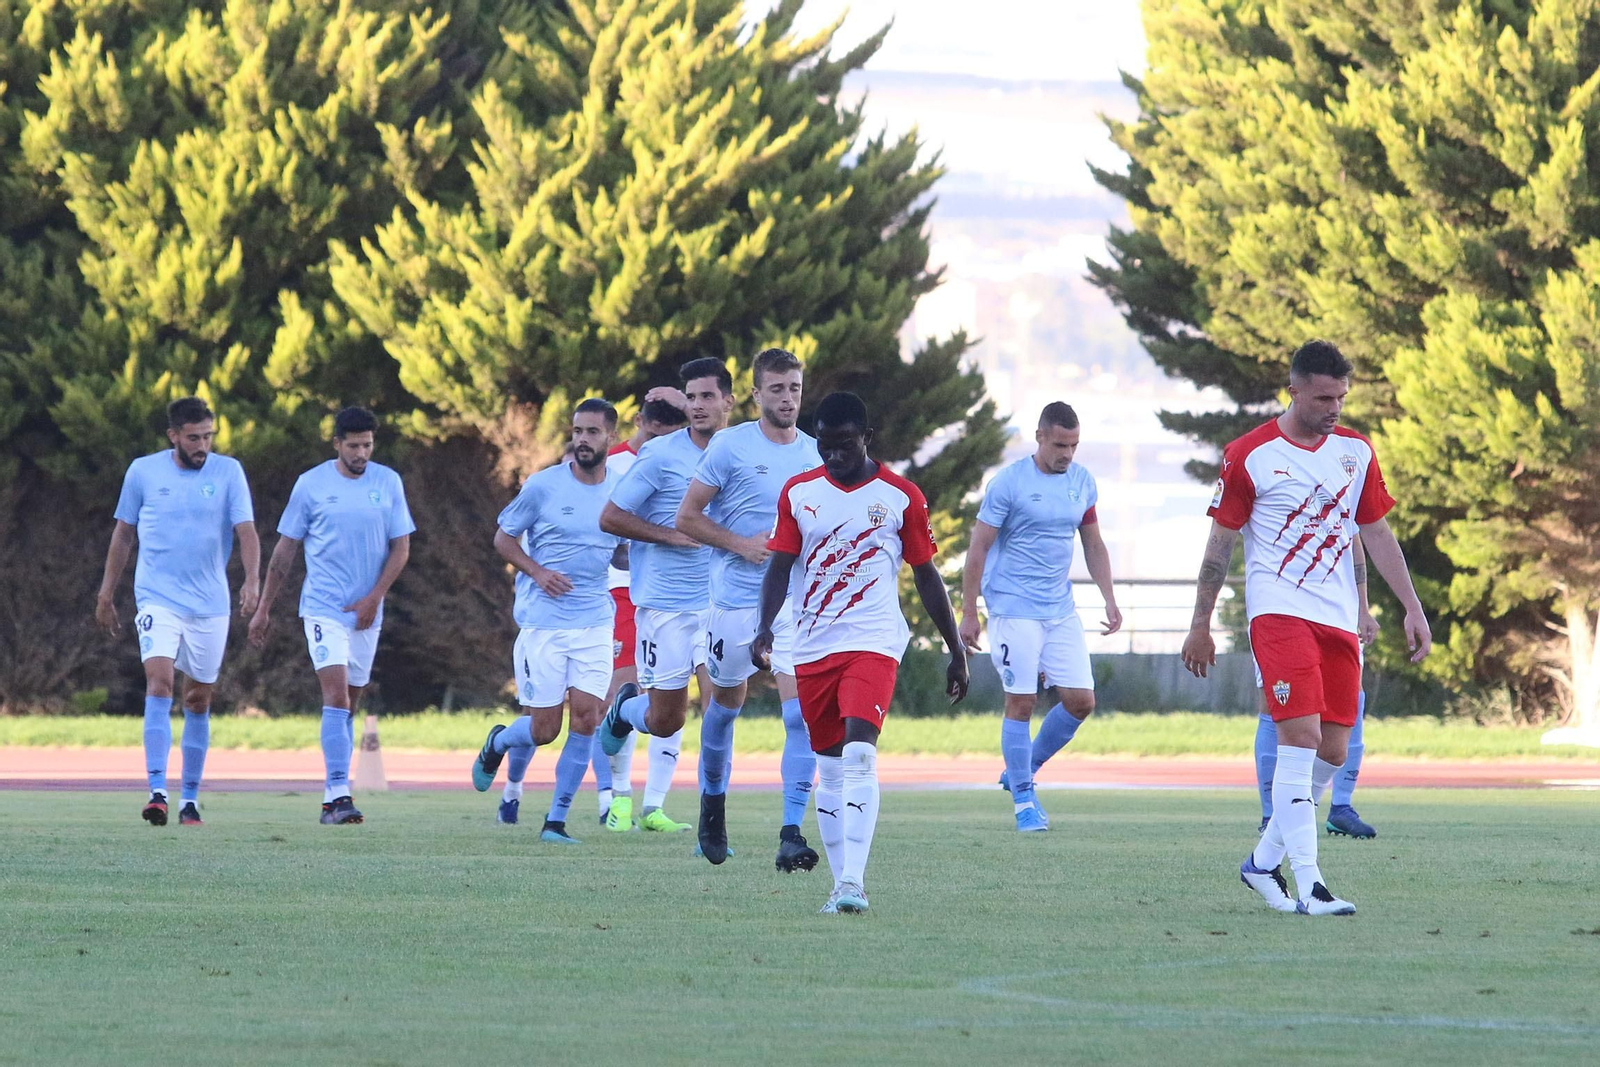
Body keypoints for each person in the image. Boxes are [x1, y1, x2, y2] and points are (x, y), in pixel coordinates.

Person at [1181, 340, 1430, 916]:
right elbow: (1218, 549)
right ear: (1293, 390)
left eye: (1341, 397)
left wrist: (1411, 608)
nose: (1334, 408)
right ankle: (1311, 885)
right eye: (1323, 397)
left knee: (1334, 751)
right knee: (1301, 740)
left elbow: (1376, 535)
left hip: (1339, 620)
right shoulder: (1250, 454)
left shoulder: (1357, 452)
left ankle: (1261, 865)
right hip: (1279, 615)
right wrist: (1199, 625)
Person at [754, 391, 969, 915]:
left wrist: (955, 647)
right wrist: (764, 628)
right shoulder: (798, 492)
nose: (833, 455)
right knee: (828, 769)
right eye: (825, 445)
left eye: (844, 444)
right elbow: (780, 565)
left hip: (873, 642)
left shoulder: (901, 496)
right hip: (811, 645)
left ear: (866, 438)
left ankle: (854, 881)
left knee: (859, 753)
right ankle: (838, 887)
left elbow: (926, 573)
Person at [675, 348, 822, 869]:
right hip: (735, 603)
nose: (787, 399)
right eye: (777, 389)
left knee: (799, 716)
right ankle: (712, 806)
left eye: (795, 389)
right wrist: (741, 544)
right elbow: (687, 518)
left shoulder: (815, 455)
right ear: (757, 395)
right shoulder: (729, 448)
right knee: (724, 708)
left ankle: (790, 832)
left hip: (792, 605)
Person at [959, 401, 1121, 832]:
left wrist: (1109, 597)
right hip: (1013, 608)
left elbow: (1093, 544)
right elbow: (977, 549)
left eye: (1074, 445)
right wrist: (969, 611)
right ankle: (1025, 801)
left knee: (1081, 701)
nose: (1067, 454)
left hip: (1059, 608)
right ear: (1040, 437)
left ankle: (1019, 770)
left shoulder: (1082, 482)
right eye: (1060, 445)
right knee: (1022, 702)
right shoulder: (1009, 484)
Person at [96, 397, 258, 826]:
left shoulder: (229, 472)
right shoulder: (143, 471)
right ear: (173, 436)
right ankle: (157, 792)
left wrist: (252, 580)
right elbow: (123, 535)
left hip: (210, 605)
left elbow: (246, 531)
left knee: (198, 698)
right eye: (193, 437)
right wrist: (106, 593)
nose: (202, 444)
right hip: (157, 598)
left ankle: (189, 798)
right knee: (160, 682)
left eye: (208, 436)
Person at [249, 406, 415, 825]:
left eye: (368, 445)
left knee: (349, 705)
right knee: (336, 697)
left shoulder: (388, 482)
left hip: (367, 612)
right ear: (337, 444)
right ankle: (340, 796)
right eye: (354, 445)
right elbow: (284, 552)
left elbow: (401, 548)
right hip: (323, 608)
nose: (362, 453)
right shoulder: (312, 485)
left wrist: (374, 598)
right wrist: (264, 608)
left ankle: (329, 796)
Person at [469, 399, 622, 844]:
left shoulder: (623, 487)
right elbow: (504, 537)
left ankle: (555, 822)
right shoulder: (543, 486)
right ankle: (497, 743)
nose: (582, 440)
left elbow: (623, 546)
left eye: (592, 432)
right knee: (544, 729)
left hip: (595, 619)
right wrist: (537, 572)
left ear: (610, 438)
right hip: (545, 624)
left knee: (589, 719)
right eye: (577, 431)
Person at [597, 358, 735, 834]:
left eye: (706, 397)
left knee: (721, 711)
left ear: (728, 402)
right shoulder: (659, 455)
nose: (697, 406)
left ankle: (711, 822)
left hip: (721, 604)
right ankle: (624, 711)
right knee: (665, 721)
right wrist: (672, 535)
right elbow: (610, 518)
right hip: (665, 607)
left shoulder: (741, 451)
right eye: (691, 398)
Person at [593, 396, 689, 828]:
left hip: (682, 596)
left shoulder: (696, 457)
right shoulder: (610, 464)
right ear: (640, 422)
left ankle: (655, 805)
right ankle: (617, 801)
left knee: (677, 698)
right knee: (625, 689)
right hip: (620, 594)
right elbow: (597, 521)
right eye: (654, 432)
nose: (661, 442)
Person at [1253, 536, 1380, 838]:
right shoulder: (1267, 489)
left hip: (1336, 614)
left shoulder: (1341, 488)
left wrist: (1362, 607)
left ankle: (1341, 807)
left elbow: (1355, 540)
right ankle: (1272, 814)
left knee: (1351, 700)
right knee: (1274, 704)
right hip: (1279, 613)